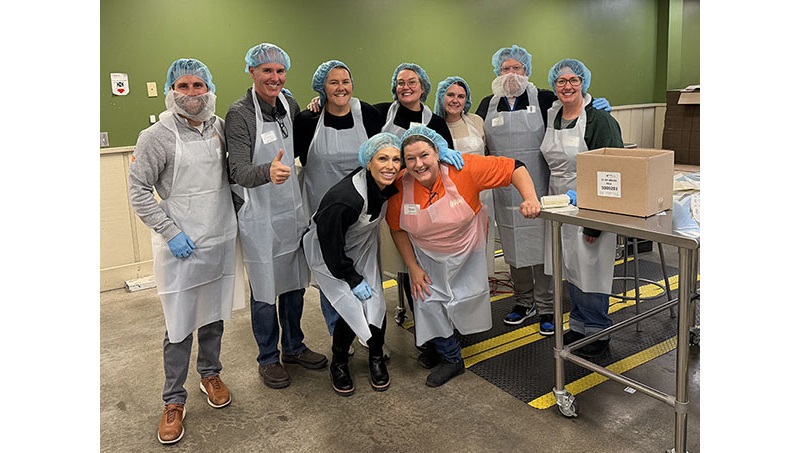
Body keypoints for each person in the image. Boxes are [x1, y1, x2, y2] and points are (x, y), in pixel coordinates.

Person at [128, 58, 244, 444]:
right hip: (182, 245)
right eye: (183, 86)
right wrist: (169, 231)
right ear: (171, 91)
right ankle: (173, 399)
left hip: (219, 238)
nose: (192, 93)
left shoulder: (221, 128)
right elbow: (139, 191)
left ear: (209, 88)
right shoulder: (155, 137)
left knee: (213, 315)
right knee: (178, 325)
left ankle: (210, 373)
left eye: (198, 85)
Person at [386, 126, 541, 387]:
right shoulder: (401, 185)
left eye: (424, 155)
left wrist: (530, 198)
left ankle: (445, 342)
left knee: (464, 298)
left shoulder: (464, 169)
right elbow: (396, 228)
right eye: (410, 159)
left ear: (438, 153)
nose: (418, 164)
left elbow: (516, 166)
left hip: (467, 249)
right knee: (428, 301)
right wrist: (412, 267)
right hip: (426, 254)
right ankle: (450, 357)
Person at [474, 44, 611, 335]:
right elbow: (475, 140)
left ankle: (547, 306)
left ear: (528, 71)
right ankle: (523, 302)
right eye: (505, 69)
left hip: (542, 190)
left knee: (544, 248)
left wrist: (597, 102)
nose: (512, 74)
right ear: (497, 72)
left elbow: (574, 103)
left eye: (518, 68)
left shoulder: (546, 98)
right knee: (511, 248)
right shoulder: (487, 104)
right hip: (505, 192)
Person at [225, 43, 327, 391]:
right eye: (267, 71)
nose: (275, 77)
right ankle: (267, 357)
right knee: (265, 290)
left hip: (290, 208)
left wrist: (316, 110)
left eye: (280, 71)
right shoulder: (239, 114)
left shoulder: (289, 103)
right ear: (252, 72)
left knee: (295, 282)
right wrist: (268, 172)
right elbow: (237, 170)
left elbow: (301, 143)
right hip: (258, 216)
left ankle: (294, 347)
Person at [302, 133, 402, 396]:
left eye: (395, 159)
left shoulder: (385, 183)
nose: (390, 165)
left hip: (362, 244)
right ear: (368, 162)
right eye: (382, 158)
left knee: (376, 301)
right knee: (351, 306)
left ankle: (376, 356)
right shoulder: (346, 199)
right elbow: (330, 245)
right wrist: (352, 278)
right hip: (330, 254)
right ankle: (339, 362)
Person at [541, 58, 623, 358]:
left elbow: (611, 171)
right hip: (559, 204)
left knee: (591, 268)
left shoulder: (600, 120)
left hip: (591, 206)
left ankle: (599, 332)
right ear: (553, 86)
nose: (567, 86)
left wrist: (595, 222)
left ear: (584, 83)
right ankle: (579, 326)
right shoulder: (552, 115)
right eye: (561, 81)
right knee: (570, 268)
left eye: (574, 80)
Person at [433, 76, 496, 275]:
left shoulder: (477, 121)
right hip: (450, 197)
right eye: (450, 95)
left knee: (481, 247)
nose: (455, 100)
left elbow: (489, 154)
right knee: (455, 250)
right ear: (441, 97)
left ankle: (480, 292)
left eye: (461, 96)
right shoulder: (434, 125)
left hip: (482, 195)